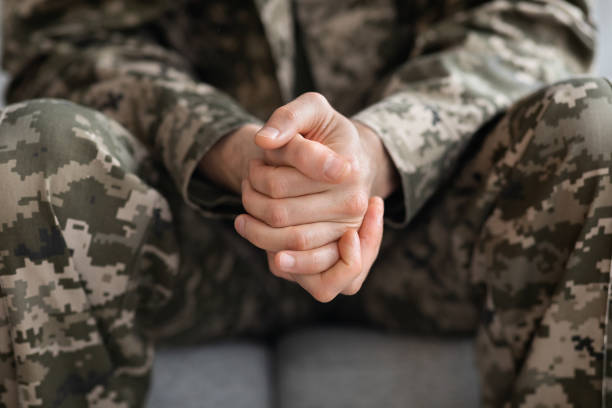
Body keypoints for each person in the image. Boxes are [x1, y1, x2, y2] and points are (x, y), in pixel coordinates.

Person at [0, 0, 610, 406]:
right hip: (195, 224)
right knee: (34, 149)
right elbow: (59, 42)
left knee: (597, 128)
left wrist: (378, 151)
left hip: (436, 214)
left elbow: (533, 21)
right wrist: (224, 148)